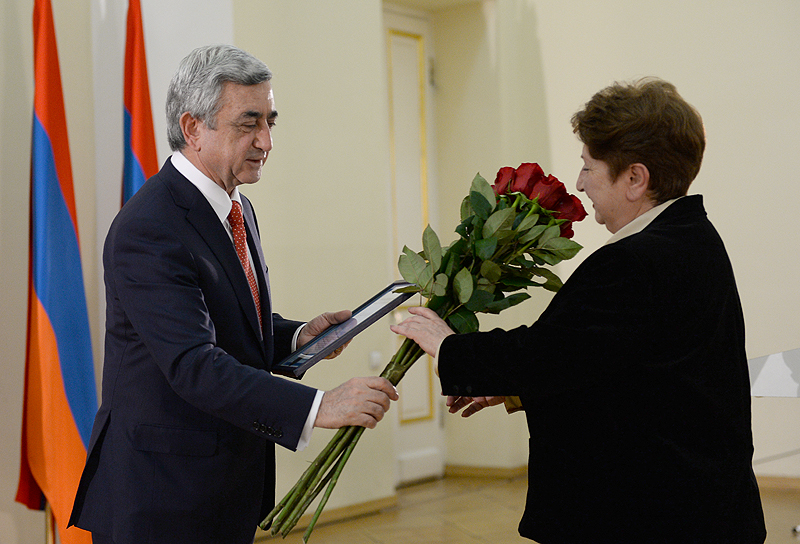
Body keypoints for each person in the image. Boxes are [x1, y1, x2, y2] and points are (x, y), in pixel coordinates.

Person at [392, 78, 767, 543]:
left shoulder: (635, 260)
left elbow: (548, 353)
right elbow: (615, 366)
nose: (579, 183)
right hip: (699, 505)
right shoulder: (692, 237)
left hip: (653, 513)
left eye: (589, 167)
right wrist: (516, 390)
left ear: (635, 178)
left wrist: (450, 347)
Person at [69, 44, 398, 544]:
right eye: (249, 123)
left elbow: (223, 320)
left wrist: (296, 337)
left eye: (270, 121)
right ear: (193, 127)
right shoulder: (149, 227)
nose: (266, 141)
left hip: (222, 487)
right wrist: (319, 407)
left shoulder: (236, 207)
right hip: (162, 496)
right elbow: (193, 363)